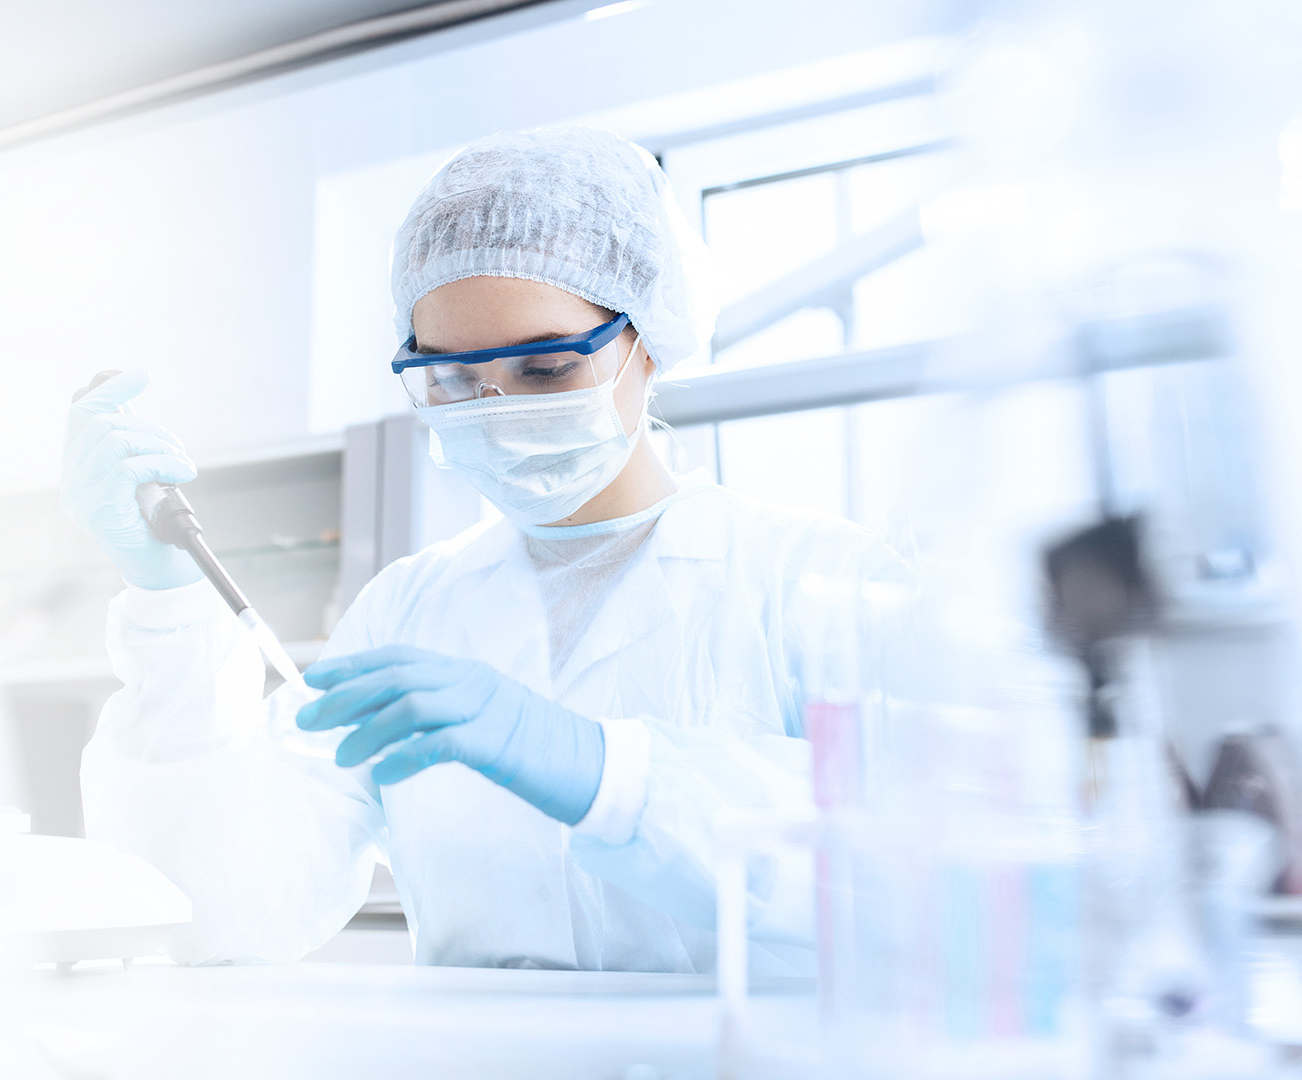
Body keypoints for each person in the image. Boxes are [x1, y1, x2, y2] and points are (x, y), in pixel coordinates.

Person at [60, 127, 907, 972]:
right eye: (454, 381)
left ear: (648, 341)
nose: (498, 409)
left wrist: (613, 775)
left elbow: (922, 877)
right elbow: (220, 909)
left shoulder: (821, 586)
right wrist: (169, 609)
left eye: (544, 371)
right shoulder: (407, 610)